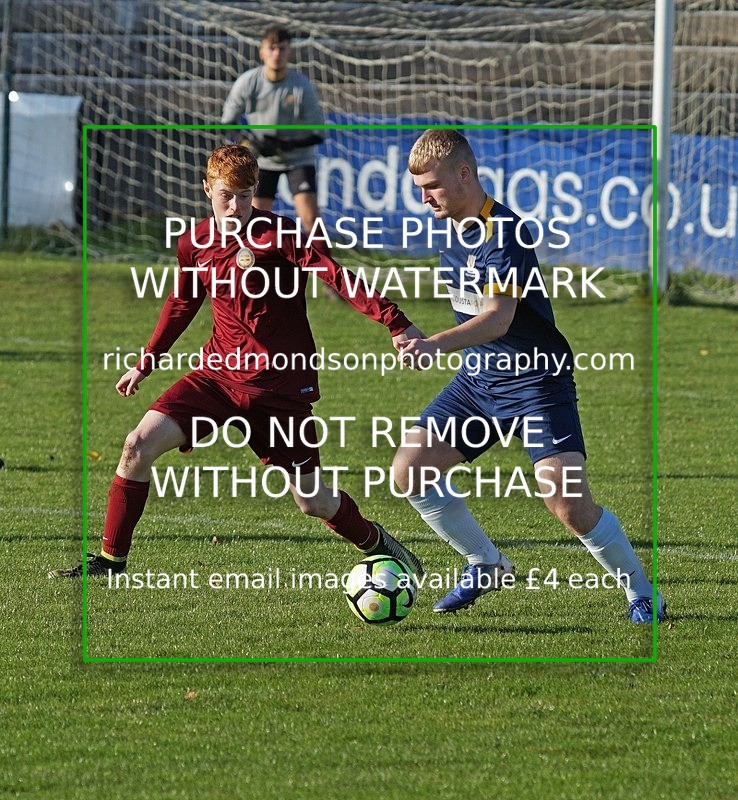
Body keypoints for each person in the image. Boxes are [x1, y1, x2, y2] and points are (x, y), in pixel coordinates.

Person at [50, 144, 424, 579]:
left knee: (313, 501)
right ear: (207, 188)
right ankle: (112, 562)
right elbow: (182, 302)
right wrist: (145, 362)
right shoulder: (195, 243)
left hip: (278, 389)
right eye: (227, 194)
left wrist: (394, 321)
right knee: (136, 446)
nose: (236, 205)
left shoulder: (281, 235)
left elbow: (335, 276)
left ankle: (379, 543)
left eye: (245, 195)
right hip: (217, 377)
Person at [392, 129, 665, 623]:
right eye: (418, 188)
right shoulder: (454, 230)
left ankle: (643, 593)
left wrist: (434, 344)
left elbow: (498, 317)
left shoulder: (506, 232)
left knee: (568, 506)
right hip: (479, 382)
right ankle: (485, 563)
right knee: (410, 470)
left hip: (536, 382)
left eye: (430, 185)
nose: (424, 197)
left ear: (464, 173)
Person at [221, 25, 324, 241]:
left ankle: (327, 274)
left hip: (297, 160)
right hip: (260, 161)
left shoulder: (302, 86)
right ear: (262, 52)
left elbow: (318, 133)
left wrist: (286, 143)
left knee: (311, 220)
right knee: (255, 222)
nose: (276, 54)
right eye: (272, 48)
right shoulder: (248, 82)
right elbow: (227, 123)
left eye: (282, 49)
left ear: (289, 52)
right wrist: (249, 144)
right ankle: (253, 270)